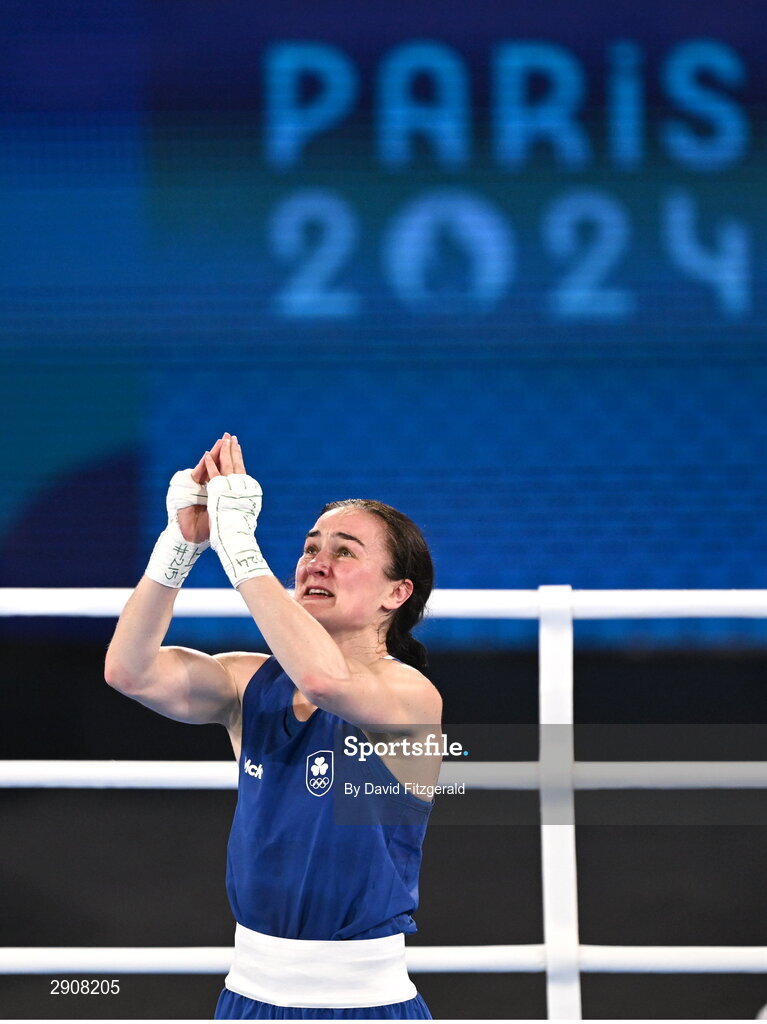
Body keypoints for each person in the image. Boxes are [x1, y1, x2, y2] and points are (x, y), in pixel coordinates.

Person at [105, 433, 441, 1020]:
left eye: (344, 551)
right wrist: (178, 546)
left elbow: (326, 682)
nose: (317, 561)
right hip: (248, 996)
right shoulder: (247, 682)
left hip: (362, 1002)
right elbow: (128, 671)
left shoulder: (410, 696)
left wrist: (239, 546)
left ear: (397, 592)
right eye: (311, 547)